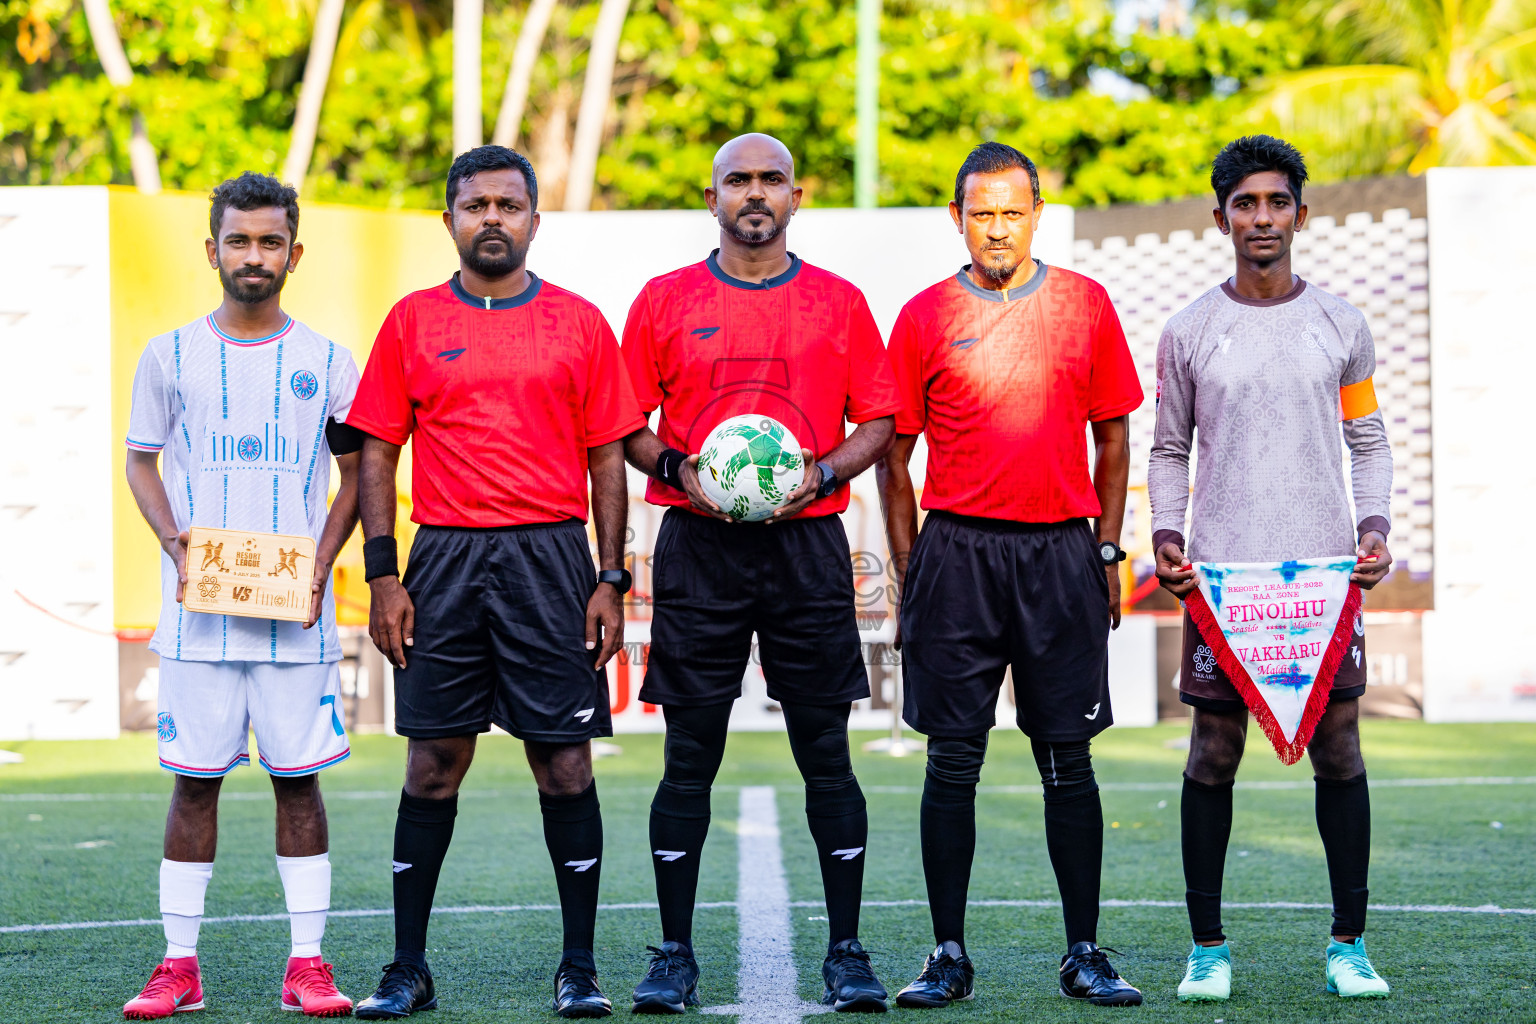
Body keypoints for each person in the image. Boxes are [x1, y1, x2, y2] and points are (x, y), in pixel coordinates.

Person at [347, 146, 643, 1020]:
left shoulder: (581, 324)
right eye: (474, 204)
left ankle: (579, 968)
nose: (492, 218)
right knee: (434, 762)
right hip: (443, 561)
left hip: (552, 562)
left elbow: (609, 460)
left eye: (509, 205)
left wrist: (611, 577)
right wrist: (384, 574)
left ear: (534, 221)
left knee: (564, 762)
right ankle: (408, 968)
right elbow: (377, 452)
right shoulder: (409, 322)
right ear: (449, 220)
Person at [620, 133, 900, 1014]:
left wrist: (821, 472)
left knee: (826, 751)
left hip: (806, 545)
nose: (753, 193)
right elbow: (628, 425)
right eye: (736, 181)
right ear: (711, 200)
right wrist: (680, 473)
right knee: (688, 753)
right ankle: (673, 953)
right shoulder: (664, 301)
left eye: (769, 180)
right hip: (698, 548)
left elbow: (880, 421)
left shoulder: (840, 302)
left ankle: (847, 952)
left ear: (796, 195)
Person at [878, 142, 1144, 1009]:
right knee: (952, 761)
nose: (997, 228)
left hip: (1061, 555)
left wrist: (1108, 548)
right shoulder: (921, 317)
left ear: (1038, 214)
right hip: (957, 555)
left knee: (1069, 759)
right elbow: (894, 454)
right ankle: (948, 954)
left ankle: (1084, 953)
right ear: (956, 218)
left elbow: (1113, 436)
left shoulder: (1085, 304)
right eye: (981, 213)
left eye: (1013, 212)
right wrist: (912, 558)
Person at [1149, 135, 1393, 1002]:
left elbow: (1366, 438)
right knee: (1213, 752)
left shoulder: (1341, 324)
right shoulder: (1189, 331)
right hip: (1224, 586)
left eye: (1276, 202)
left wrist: (1373, 522)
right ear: (1220, 218)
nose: (1262, 218)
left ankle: (1349, 946)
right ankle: (1208, 949)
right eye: (1245, 204)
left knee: (1339, 749)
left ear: (1300, 212)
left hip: (1324, 582)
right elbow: (1170, 448)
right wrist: (1165, 536)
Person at [122, 172, 362, 1019]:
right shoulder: (170, 353)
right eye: (239, 240)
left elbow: (359, 473)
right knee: (195, 784)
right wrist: (174, 541)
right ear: (212, 249)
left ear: (295, 253)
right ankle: (178, 966)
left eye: (270, 241)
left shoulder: (330, 361)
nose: (253, 255)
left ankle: (308, 965)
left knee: (299, 784)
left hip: (295, 621)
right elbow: (140, 460)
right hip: (198, 619)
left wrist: (322, 565)